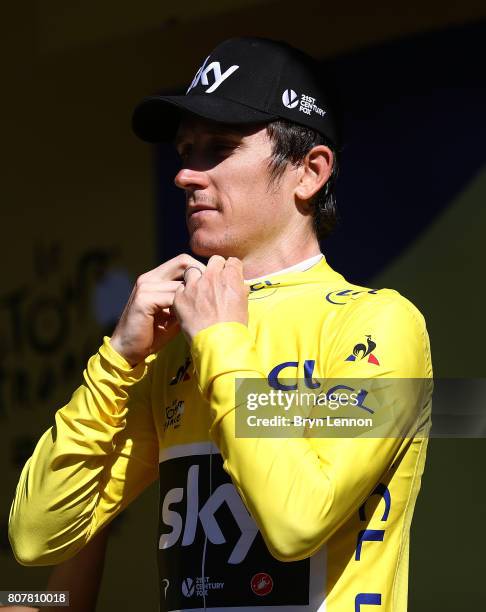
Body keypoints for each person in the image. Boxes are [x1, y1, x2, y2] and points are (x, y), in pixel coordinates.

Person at [9, 37, 432, 611]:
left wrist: (220, 342)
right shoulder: (171, 345)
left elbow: (295, 522)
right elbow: (36, 539)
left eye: (218, 149)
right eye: (186, 151)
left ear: (309, 172)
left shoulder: (378, 323)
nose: (186, 175)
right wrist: (118, 360)